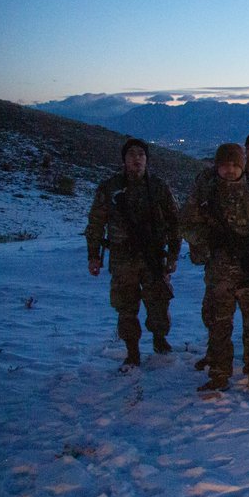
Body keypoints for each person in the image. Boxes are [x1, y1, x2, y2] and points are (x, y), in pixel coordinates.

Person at [181, 143, 249, 393]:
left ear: (243, 167)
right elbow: (186, 224)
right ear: (217, 167)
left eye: (235, 165)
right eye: (225, 165)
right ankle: (219, 374)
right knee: (218, 325)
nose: (230, 170)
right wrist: (208, 241)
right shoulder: (205, 197)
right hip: (220, 274)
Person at [84, 138, 181, 370]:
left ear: (147, 159)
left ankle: (160, 340)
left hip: (153, 256)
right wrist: (93, 255)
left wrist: (173, 254)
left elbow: (175, 222)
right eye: (131, 154)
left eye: (141, 154)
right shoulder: (110, 188)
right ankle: (132, 351)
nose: (136, 159)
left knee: (158, 302)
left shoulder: (158, 187)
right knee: (126, 306)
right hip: (122, 257)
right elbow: (96, 224)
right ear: (124, 160)